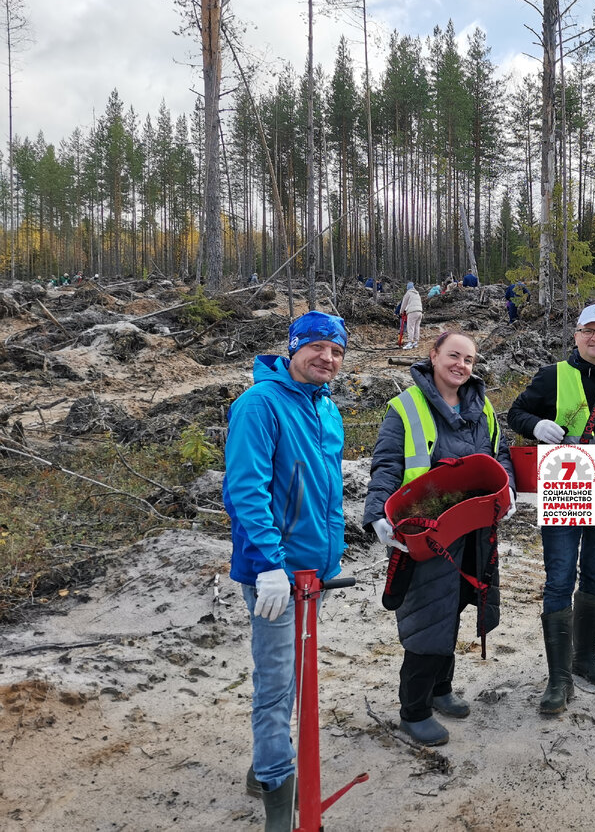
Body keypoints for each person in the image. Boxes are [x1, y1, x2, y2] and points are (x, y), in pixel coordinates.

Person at [223, 311, 349, 832]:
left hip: (314, 575)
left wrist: (331, 557)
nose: (328, 358)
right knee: (276, 684)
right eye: (318, 347)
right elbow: (245, 490)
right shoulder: (260, 404)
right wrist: (271, 566)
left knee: (300, 680)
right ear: (293, 347)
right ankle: (278, 791)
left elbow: (328, 492)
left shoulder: (328, 410)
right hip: (275, 577)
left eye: (337, 351)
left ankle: (262, 765)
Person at [362, 330, 516, 747]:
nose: (461, 366)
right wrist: (378, 511)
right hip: (426, 531)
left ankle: (441, 688)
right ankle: (413, 711)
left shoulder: (481, 405)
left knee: (457, 606)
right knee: (427, 616)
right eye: (453, 356)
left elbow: (499, 453)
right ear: (433, 356)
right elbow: (388, 463)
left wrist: (510, 488)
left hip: (475, 530)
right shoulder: (406, 408)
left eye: (468, 360)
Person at [507, 303, 595, 715]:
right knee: (559, 579)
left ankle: (584, 659)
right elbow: (517, 411)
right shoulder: (554, 376)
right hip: (564, 492)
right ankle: (559, 677)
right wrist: (535, 426)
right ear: (577, 335)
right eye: (589, 330)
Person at [399, 282, 423, 350]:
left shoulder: (408, 293)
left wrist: (401, 312)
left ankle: (410, 342)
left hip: (412, 312)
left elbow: (404, 304)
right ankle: (415, 342)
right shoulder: (417, 293)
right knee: (417, 327)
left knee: (410, 327)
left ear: (407, 288)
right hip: (420, 312)